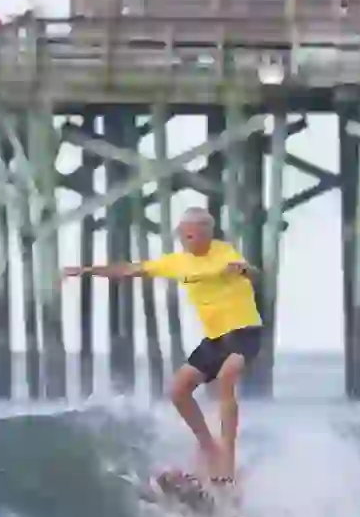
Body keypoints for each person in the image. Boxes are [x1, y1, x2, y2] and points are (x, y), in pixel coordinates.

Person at [61, 207, 263, 489]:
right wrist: (85, 270)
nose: (185, 239)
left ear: (207, 233)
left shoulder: (224, 252)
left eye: (191, 235)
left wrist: (242, 270)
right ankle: (209, 447)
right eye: (183, 234)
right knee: (178, 390)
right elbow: (128, 270)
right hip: (215, 339)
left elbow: (252, 274)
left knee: (228, 377)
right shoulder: (176, 262)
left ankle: (226, 458)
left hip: (245, 332)